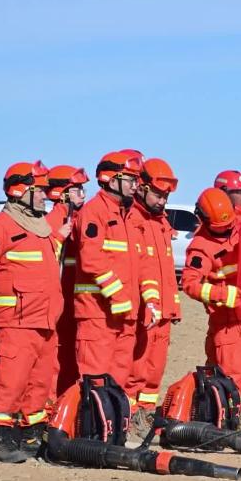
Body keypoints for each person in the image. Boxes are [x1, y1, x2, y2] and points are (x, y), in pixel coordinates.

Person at [0, 161, 63, 462]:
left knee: (40, 381)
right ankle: (3, 439)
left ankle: (30, 436)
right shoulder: (1, 226)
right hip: (14, 323)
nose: (45, 196)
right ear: (20, 190)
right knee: (11, 380)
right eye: (39, 190)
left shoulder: (41, 227)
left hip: (44, 321)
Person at [181, 187, 241, 423]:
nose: (228, 231)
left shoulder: (239, 224)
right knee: (232, 375)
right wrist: (222, 294)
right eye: (221, 229)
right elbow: (190, 284)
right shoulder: (200, 246)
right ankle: (229, 422)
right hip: (228, 323)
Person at [71, 151, 150, 391]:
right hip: (98, 314)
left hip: (125, 314)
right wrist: (118, 295)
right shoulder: (94, 212)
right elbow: (91, 259)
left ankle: (113, 427)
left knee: (118, 381)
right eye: (130, 179)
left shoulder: (130, 216)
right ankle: (92, 428)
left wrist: (149, 301)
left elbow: (141, 263)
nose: (135, 185)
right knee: (95, 381)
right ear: (111, 179)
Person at [125, 158, 181, 434]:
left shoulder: (160, 223)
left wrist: (172, 306)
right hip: (143, 310)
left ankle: (145, 413)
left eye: (166, 196)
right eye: (158, 194)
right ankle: (131, 414)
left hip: (164, 311)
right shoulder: (133, 220)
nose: (162, 201)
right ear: (141, 187)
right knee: (136, 368)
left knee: (155, 370)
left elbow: (167, 271)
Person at [43, 165, 90, 399]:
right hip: (60, 300)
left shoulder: (79, 217)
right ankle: (51, 406)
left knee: (73, 354)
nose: (83, 193)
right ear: (61, 193)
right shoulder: (54, 220)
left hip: (75, 300)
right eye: (77, 189)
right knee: (56, 355)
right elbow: (47, 258)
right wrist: (59, 235)